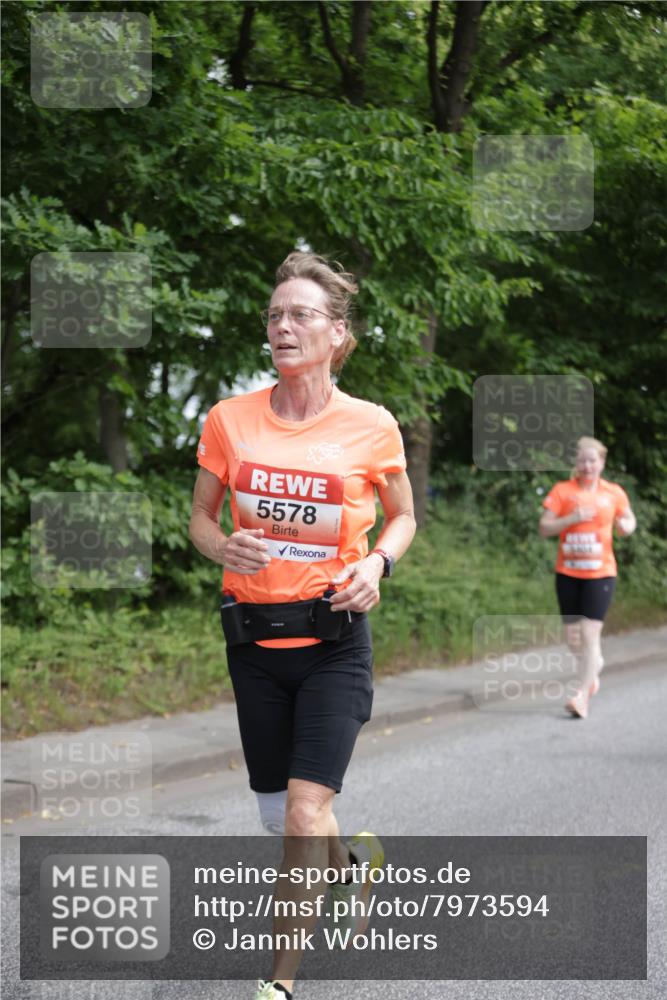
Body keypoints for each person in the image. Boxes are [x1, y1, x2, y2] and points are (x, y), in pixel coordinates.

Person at [188, 251, 416, 999]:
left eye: (300, 315)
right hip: (254, 643)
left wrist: (376, 566)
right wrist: (224, 545)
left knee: (300, 809)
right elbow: (199, 518)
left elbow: (404, 516)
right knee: (275, 817)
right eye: (274, 315)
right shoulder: (230, 420)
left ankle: (276, 987)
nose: (283, 326)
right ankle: (351, 865)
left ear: (336, 334)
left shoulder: (370, 425)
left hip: (333, 645)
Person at [539, 436, 636, 719]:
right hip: (568, 573)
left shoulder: (613, 493)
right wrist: (571, 519)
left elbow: (629, 519)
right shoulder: (562, 491)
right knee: (573, 639)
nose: (587, 465)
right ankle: (592, 671)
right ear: (576, 463)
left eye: (593, 460)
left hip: (601, 573)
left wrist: (625, 526)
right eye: (582, 460)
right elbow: (544, 528)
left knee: (589, 633)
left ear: (602, 462)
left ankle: (581, 696)